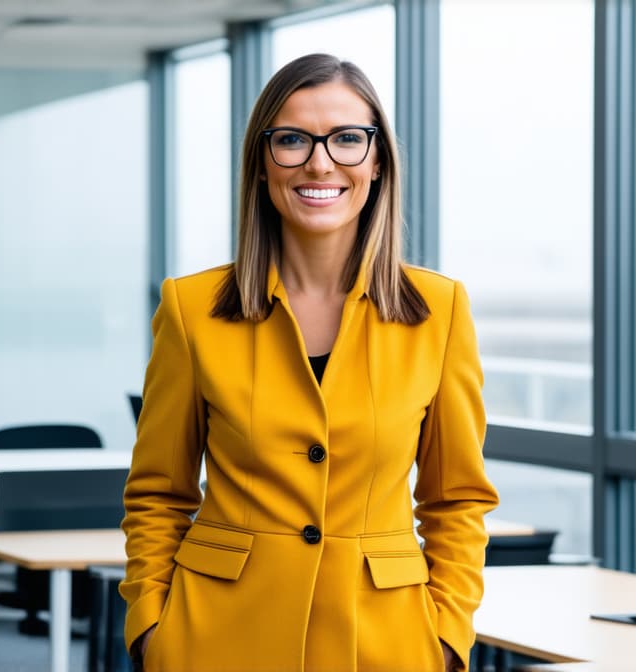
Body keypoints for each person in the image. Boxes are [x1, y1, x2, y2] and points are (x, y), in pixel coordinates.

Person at [120, 53, 499, 672]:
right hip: (215, 638)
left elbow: (456, 499)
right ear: (263, 163)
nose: (321, 162)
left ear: (377, 163)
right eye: (293, 140)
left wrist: (447, 636)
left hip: (389, 644)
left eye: (348, 139)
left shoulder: (439, 310)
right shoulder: (191, 309)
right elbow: (159, 494)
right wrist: (151, 630)